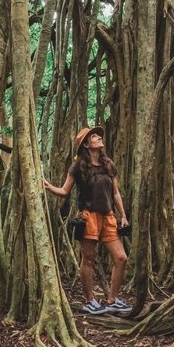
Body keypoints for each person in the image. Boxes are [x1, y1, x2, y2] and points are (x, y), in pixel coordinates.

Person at [43, 126, 132, 315]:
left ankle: (112, 300)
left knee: (121, 258)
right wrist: (49, 187)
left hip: (108, 217)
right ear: (85, 144)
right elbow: (65, 191)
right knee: (89, 259)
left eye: (99, 135)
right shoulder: (78, 166)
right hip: (88, 216)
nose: (99, 137)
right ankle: (90, 300)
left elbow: (115, 193)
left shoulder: (108, 165)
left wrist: (122, 215)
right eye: (94, 136)